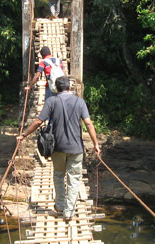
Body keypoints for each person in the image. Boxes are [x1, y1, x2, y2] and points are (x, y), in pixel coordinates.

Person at [17, 76, 101, 220]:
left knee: (58, 175)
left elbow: (38, 121)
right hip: (76, 148)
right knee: (74, 178)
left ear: (55, 88)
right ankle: (69, 211)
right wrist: (95, 144)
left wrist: (23, 135)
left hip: (58, 147)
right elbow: (88, 124)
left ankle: (60, 205)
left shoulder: (51, 101)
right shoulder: (80, 102)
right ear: (69, 87)